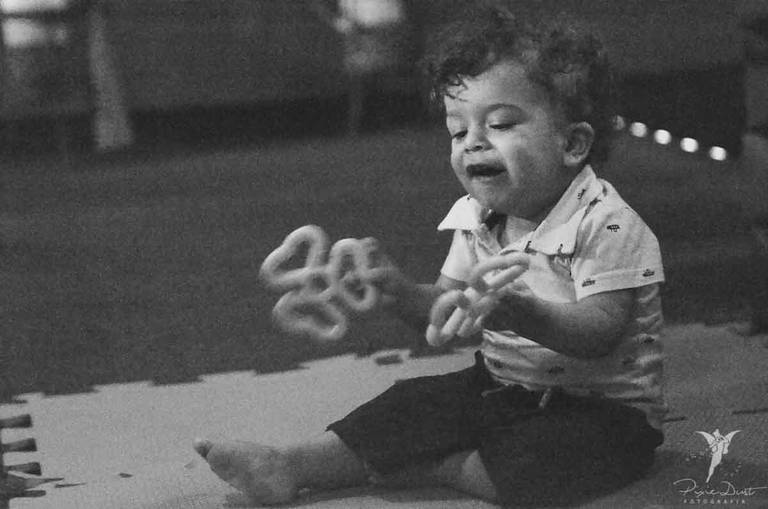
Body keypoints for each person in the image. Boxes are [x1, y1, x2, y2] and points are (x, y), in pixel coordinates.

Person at [194, 3, 667, 506]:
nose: (473, 144)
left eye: (501, 123)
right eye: (458, 131)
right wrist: (395, 290)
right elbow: (441, 310)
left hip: (604, 414)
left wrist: (520, 311)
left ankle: (447, 468)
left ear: (571, 143)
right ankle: (288, 464)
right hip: (505, 388)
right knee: (410, 404)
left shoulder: (607, 223)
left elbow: (600, 333)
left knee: (539, 466)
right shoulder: (476, 217)